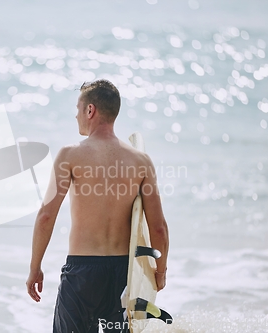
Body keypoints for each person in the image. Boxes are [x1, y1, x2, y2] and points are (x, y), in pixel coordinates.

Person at [26, 79, 169, 333]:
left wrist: (35, 267)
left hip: (82, 276)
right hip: (123, 278)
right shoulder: (141, 162)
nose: (76, 115)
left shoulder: (70, 156)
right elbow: (158, 228)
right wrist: (160, 272)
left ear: (90, 110)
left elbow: (46, 215)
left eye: (78, 108)